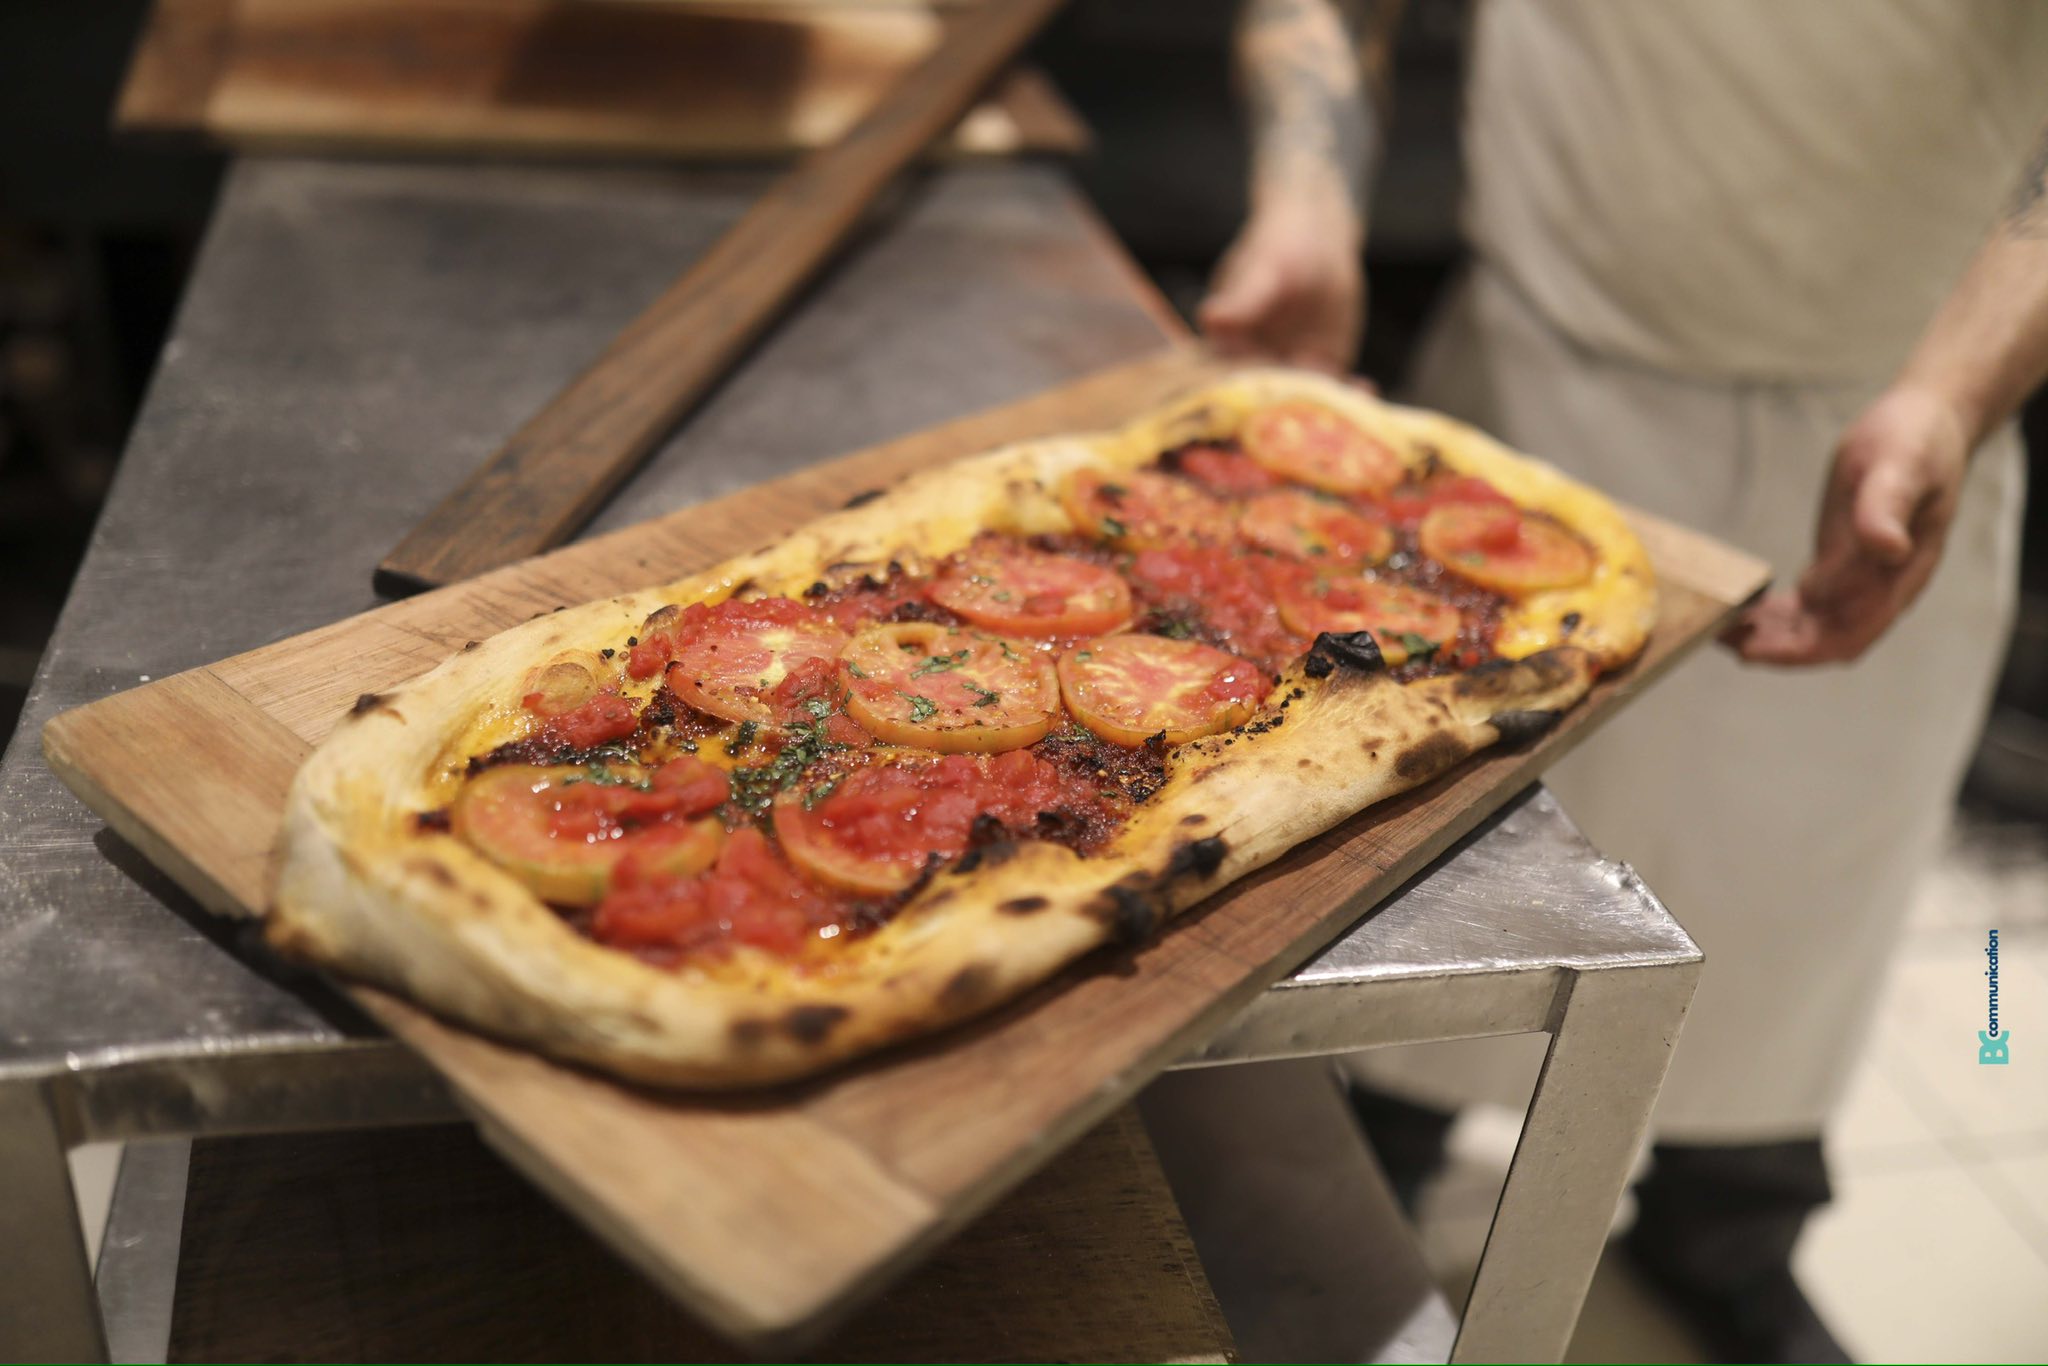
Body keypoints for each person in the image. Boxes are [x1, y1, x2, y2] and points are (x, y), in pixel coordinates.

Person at [1202, 1, 2048, 1360]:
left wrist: (1951, 393)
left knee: (1802, 923)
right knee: (1421, 929)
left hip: (1892, 406)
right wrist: (1307, 192)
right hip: (1530, 389)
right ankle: (1363, 1211)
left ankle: (1731, 1230)